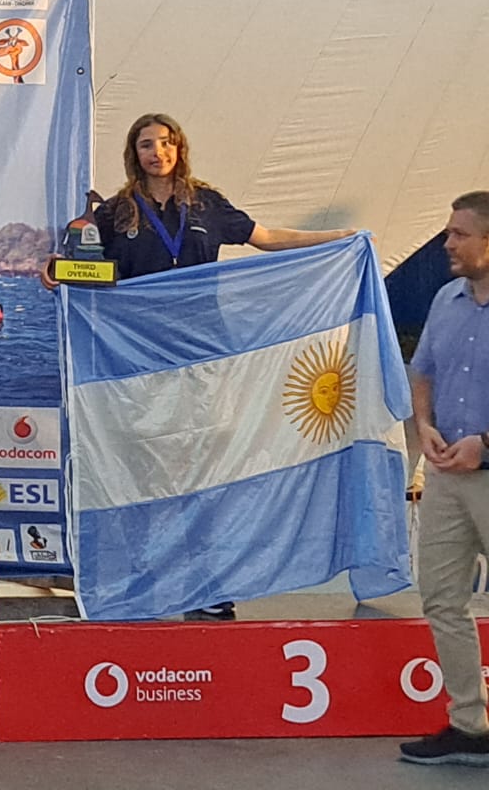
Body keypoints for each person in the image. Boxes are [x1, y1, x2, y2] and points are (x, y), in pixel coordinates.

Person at [41, 111, 353, 619]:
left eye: (165, 142)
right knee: (145, 470)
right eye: (146, 144)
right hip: (137, 362)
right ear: (133, 154)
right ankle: (144, 582)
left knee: (202, 470)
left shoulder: (206, 203)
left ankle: (207, 585)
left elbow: (266, 237)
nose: (157, 152)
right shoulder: (116, 212)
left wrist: (338, 238)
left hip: (202, 358)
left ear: (179, 148)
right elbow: (89, 269)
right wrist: (57, 272)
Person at [399, 192, 489, 767]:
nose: (447, 243)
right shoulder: (445, 299)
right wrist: (426, 426)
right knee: (442, 599)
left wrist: (486, 444)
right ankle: (470, 726)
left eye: (459, 234)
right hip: (448, 475)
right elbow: (423, 370)